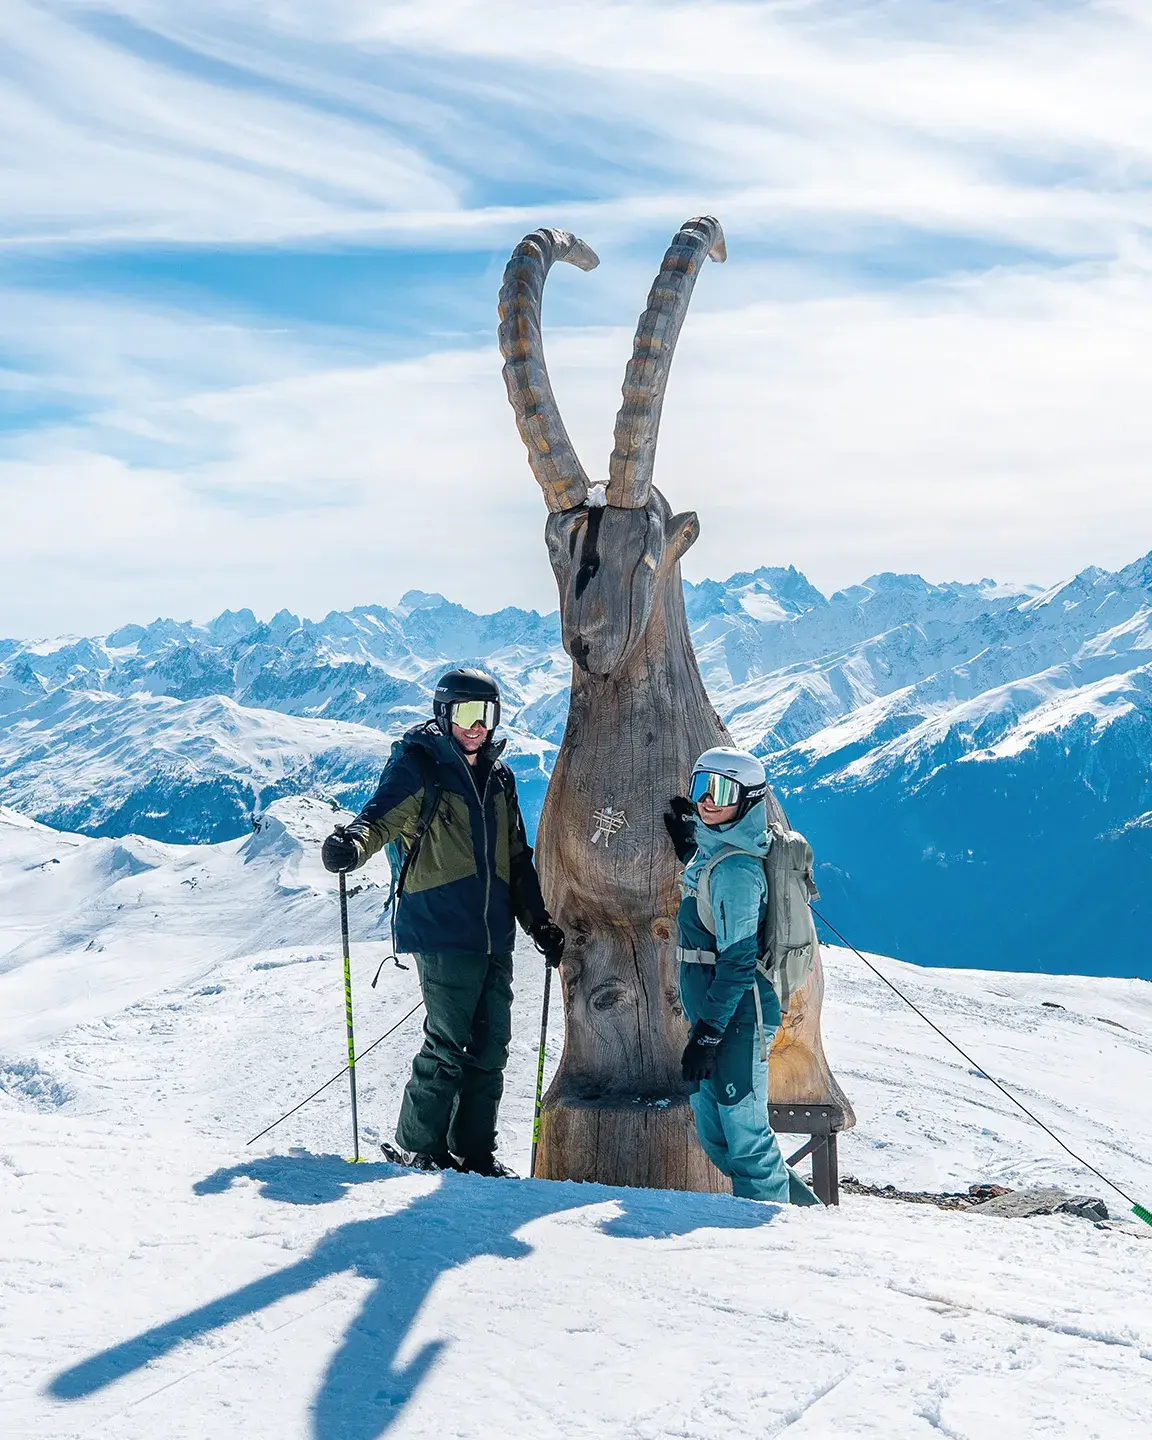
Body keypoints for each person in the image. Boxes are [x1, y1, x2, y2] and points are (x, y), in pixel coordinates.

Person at [322, 668, 564, 1176]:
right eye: (466, 714)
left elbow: (517, 857)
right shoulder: (420, 767)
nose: (477, 727)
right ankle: (418, 1145)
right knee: (448, 1042)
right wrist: (352, 844)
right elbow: (379, 820)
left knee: (492, 1045)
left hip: (493, 932)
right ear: (443, 713)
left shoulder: (499, 777)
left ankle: (473, 1152)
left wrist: (537, 921)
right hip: (441, 925)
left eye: (488, 715)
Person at [665, 747, 818, 1205]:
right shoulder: (717, 853)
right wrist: (691, 840)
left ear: (749, 800)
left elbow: (735, 962)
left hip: (739, 1016)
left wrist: (708, 1035)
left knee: (745, 1138)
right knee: (718, 1135)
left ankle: (780, 1235)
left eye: (723, 791)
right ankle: (808, 1217)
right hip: (716, 1016)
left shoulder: (736, 870)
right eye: (701, 788)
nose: (708, 801)